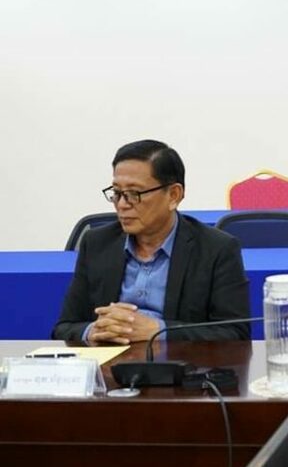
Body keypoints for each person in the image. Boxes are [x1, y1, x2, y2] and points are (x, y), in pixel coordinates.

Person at [53, 140, 250, 343]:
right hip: (109, 360)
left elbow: (235, 333)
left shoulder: (216, 249)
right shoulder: (97, 243)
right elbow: (64, 327)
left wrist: (159, 331)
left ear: (173, 195)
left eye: (134, 194)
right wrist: (94, 331)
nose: (122, 205)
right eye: (117, 193)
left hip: (177, 361)